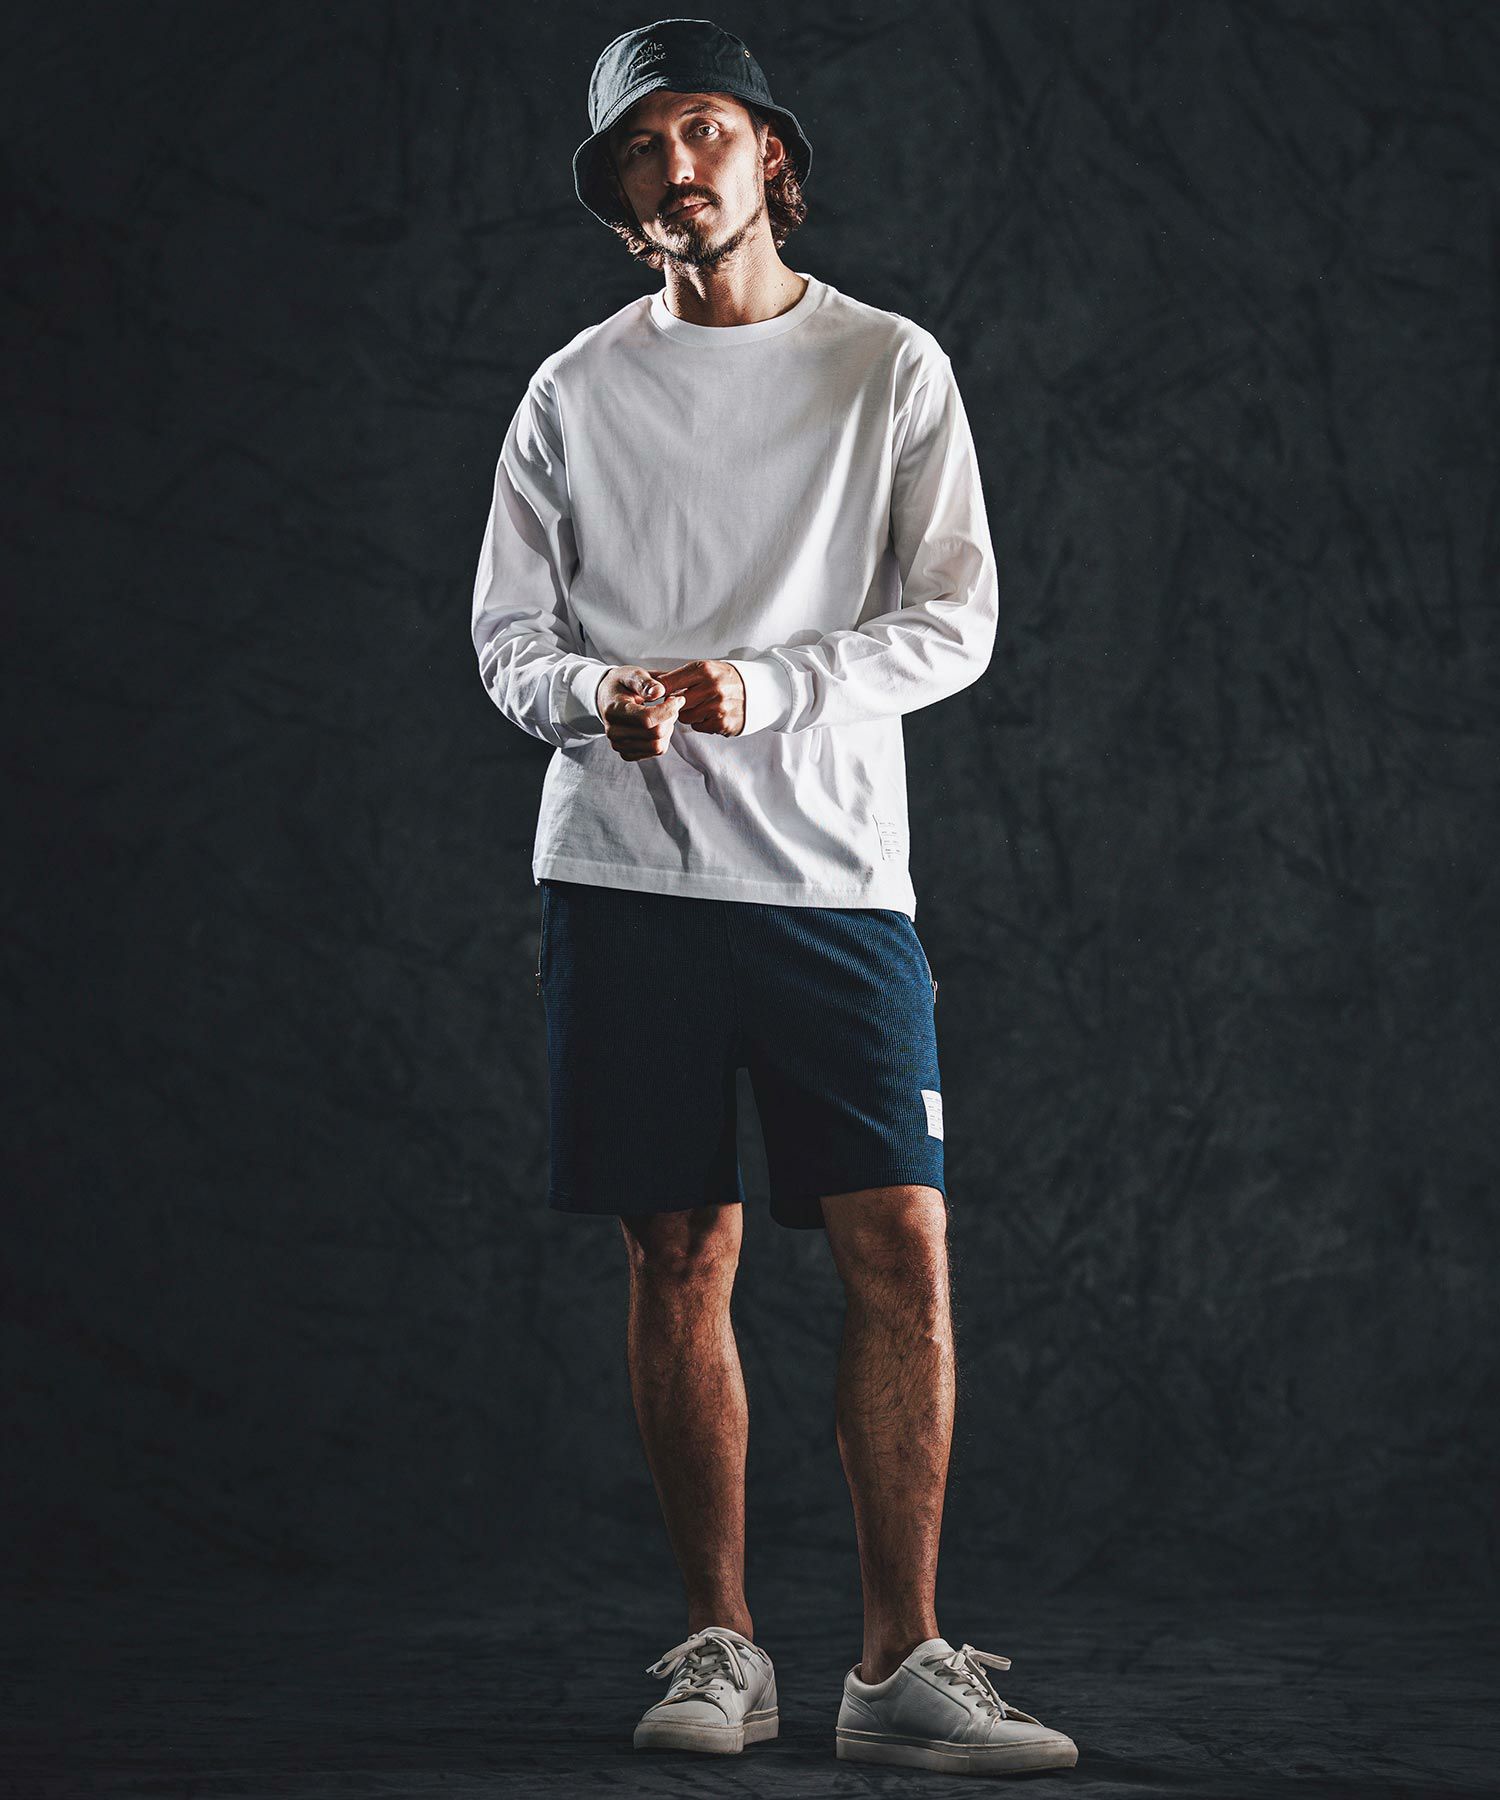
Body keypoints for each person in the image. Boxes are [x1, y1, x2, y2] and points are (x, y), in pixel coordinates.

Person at [469, 17, 1077, 1778]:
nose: (680, 166)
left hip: (832, 883)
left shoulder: (887, 364)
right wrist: (600, 695)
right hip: (623, 876)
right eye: (644, 146)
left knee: (902, 1245)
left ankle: (899, 1666)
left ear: (769, 158)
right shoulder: (573, 390)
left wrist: (760, 685)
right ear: (622, 193)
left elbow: (954, 620)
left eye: (707, 131)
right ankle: (721, 1648)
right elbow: (509, 639)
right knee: (680, 1251)